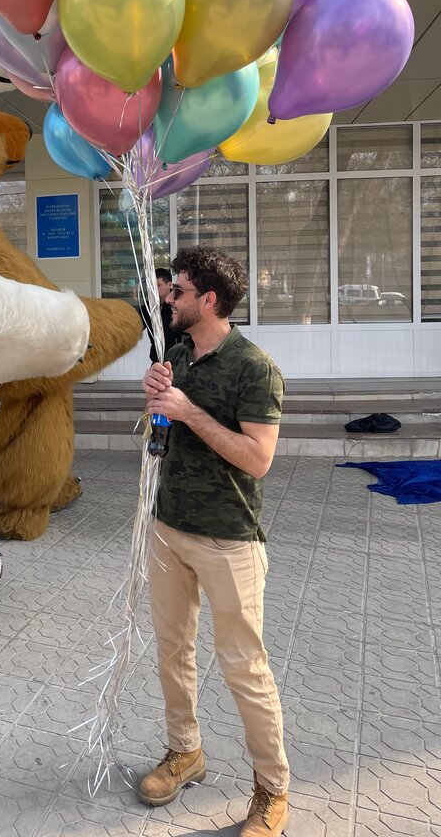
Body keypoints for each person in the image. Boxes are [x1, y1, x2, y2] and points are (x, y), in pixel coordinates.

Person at [138, 246, 289, 837]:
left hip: (229, 540)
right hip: (169, 528)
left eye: (176, 291)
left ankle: (272, 791)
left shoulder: (255, 368)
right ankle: (185, 753)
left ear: (209, 300)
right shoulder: (178, 352)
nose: (168, 298)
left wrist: (188, 410)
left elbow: (258, 460)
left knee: (244, 668)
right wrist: (156, 400)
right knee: (173, 651)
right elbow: (162, 426)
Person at [140, 268, 179, 363]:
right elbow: (136, 326)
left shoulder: (178, 304)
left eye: (158, 285)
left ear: (170, 285)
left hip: (178, 359)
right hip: (157, 358)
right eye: (152, 285)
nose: (154, 289)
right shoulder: (148, 307)